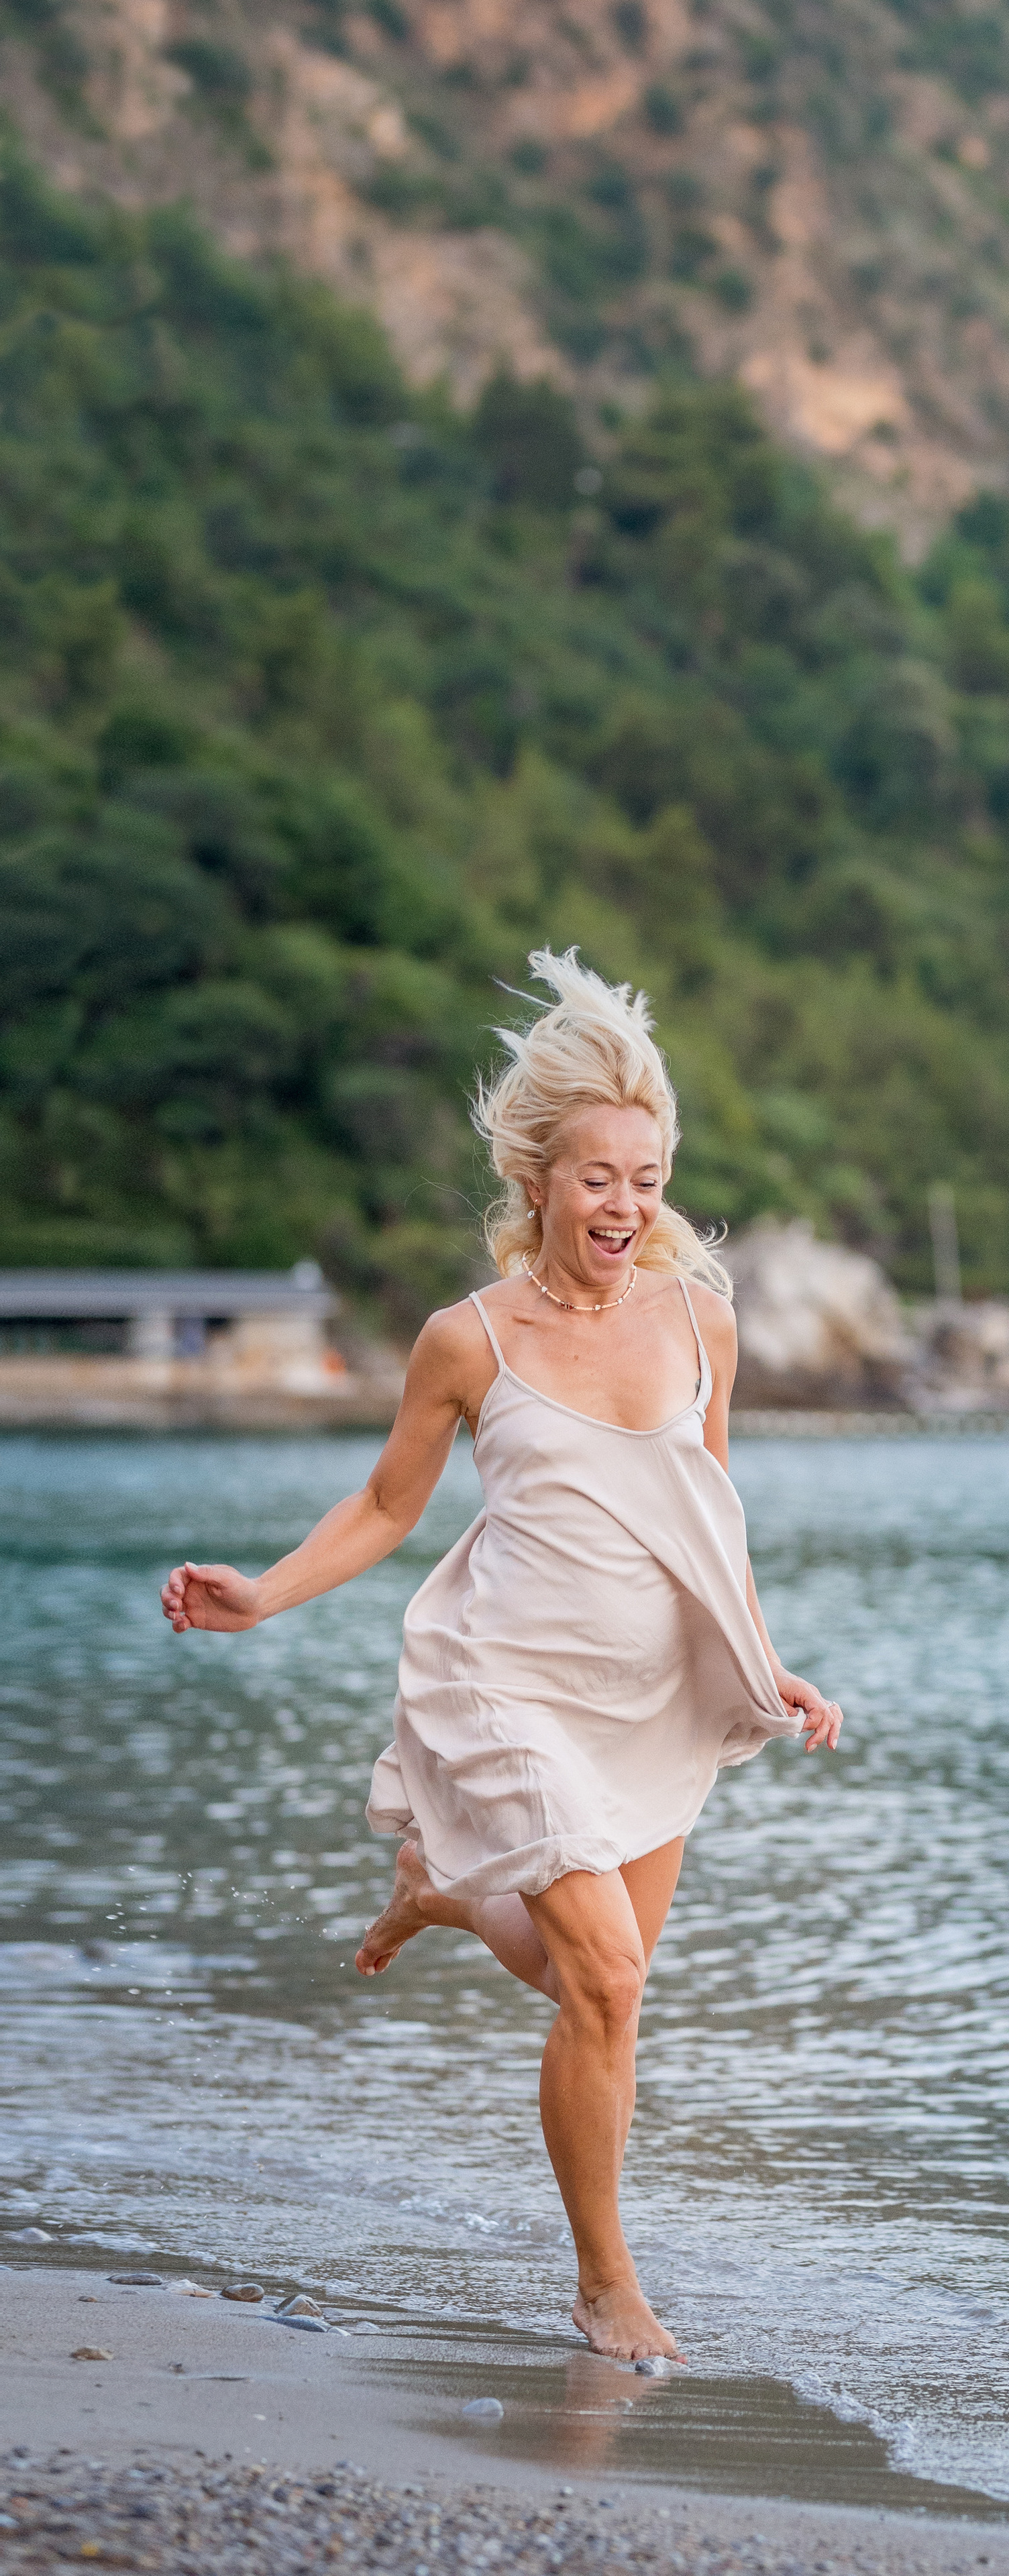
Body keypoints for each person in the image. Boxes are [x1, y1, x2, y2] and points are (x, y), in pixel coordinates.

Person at [160, 949, 843, 2364]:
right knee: (602, 1974)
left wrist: (762, 1663)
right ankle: (606, 2286)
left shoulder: (699, 1321)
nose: (627, 1207)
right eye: (599, 1179)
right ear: (537, 1178)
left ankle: (447, 1893)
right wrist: (266, 1595)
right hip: (507, 1683)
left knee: (608, 1980)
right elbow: (388, 1507)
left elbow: (708, 1513)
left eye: (647, 1180)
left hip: (650, 1699)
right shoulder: (464, 1342)